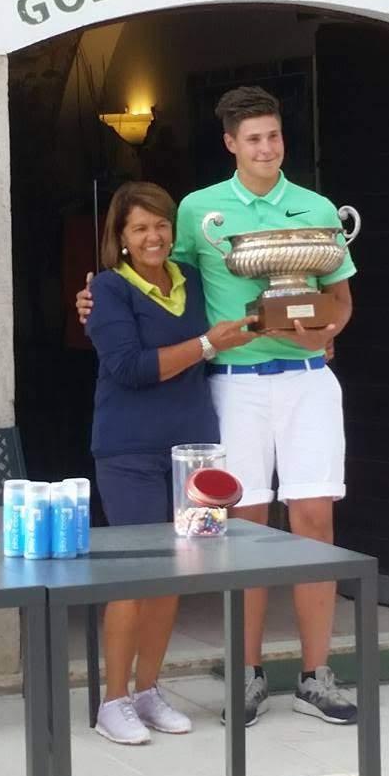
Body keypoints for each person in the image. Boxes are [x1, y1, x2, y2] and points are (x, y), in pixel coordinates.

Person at [78, 86, 357, 729]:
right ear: (231, 143)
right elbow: (152, 276)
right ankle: (248, 673)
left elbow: (340, 299)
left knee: (314, 520)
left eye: (274, 136)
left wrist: (323, 332)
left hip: (308, 380)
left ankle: (316, 676)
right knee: (243, 529)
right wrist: (95, 294)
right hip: (232, 384)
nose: (266, 147)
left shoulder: (317, 207)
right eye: (253, 138)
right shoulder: (198, 210)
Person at [84, 180, 256, 745]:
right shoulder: (108, 288)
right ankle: (113, 702)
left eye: (161, 224)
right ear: (120, 237)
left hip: (194, 450)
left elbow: (251, 308)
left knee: (177, 575)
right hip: (129, 449)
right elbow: (129, 368)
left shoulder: (194, 279)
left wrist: (313, 334)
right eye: (139, 228)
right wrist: (206, 345)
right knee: (135, 576)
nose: (153, 236)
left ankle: (147, 692)